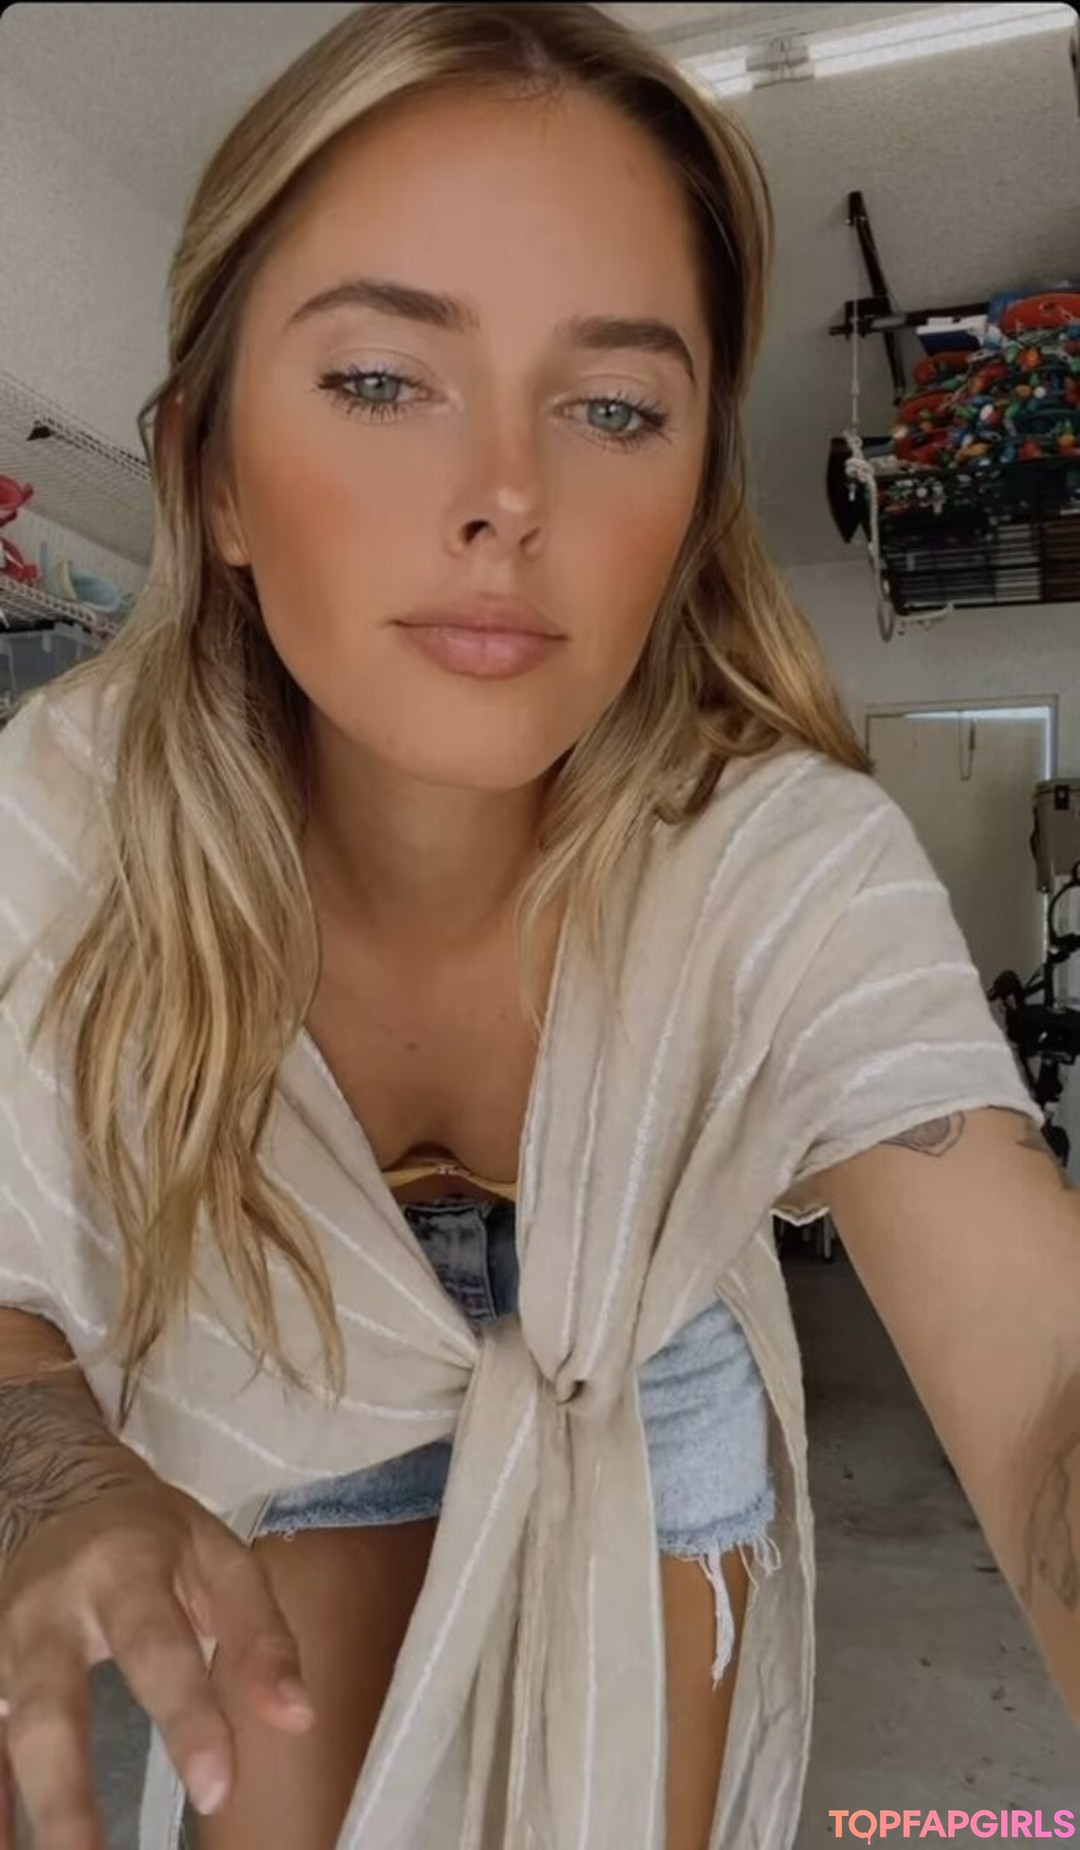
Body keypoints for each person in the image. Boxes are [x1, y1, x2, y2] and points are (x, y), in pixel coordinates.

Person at [0, 6, 1076, 1849]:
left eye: (614, 408)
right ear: (213, 472)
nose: (509, 493)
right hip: (273, 1352)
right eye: (380, 380)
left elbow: (1043, 1371)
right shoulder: (69, 818)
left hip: (642, 1374)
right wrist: (52, 1468)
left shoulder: (776, 860)